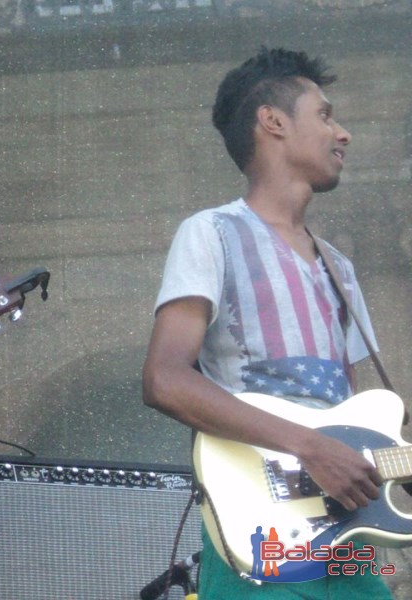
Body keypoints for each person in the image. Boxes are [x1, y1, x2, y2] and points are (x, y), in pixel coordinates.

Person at [142, 47, 393, 598]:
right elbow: (164, 380)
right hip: (257, 536)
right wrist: (310, 447)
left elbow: (355, 419)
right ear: (273, 121)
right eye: (325, 115)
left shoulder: (339, 269)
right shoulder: (211, 233)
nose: (343, 133)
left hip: (344, 539)